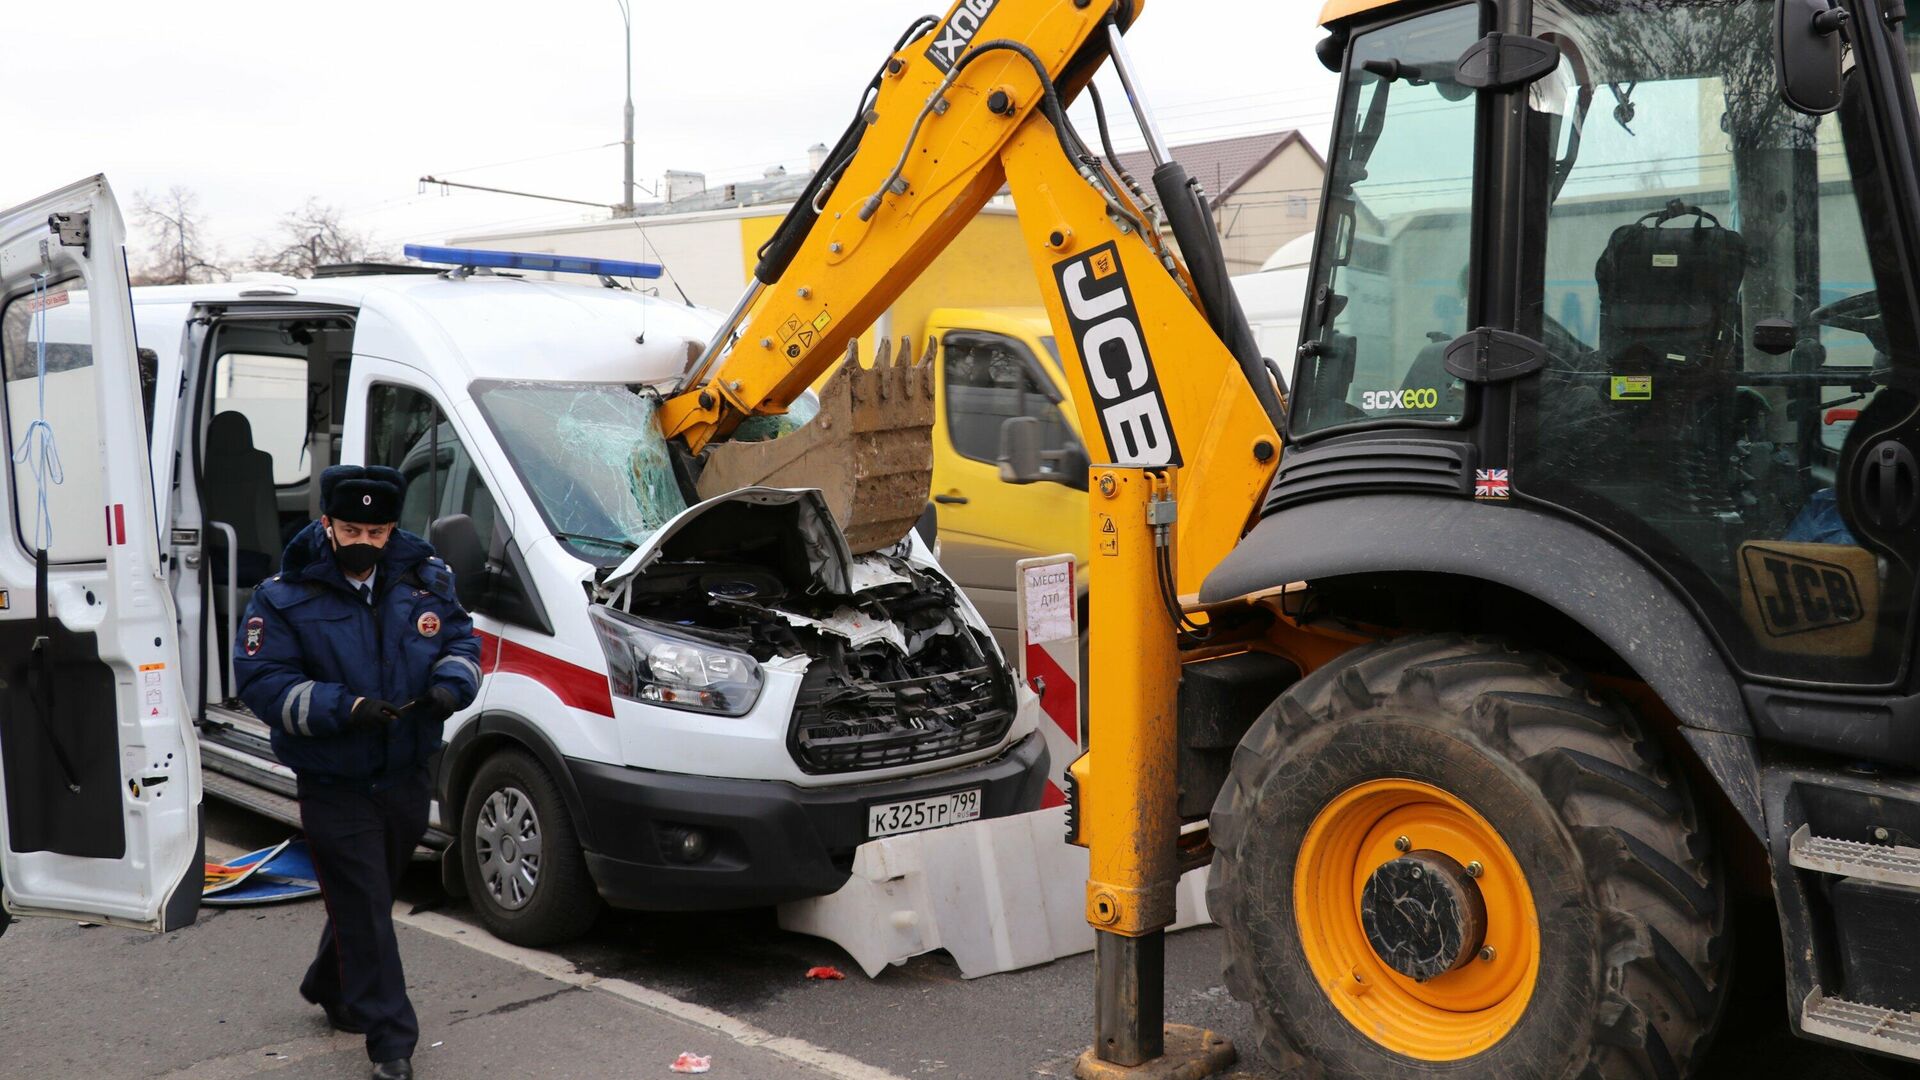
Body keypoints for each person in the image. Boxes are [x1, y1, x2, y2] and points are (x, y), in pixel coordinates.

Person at [234, 464, 481, 1080]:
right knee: (368, 908)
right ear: (326, 523)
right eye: (351, 528)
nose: (363, 541)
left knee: (363, 899)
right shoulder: (282, 596)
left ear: (392, 528)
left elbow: (460, 641)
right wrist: (344, 708)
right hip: (333, 780)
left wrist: (453, 684)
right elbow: (263, 683)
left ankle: (329, 981)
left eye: (376, 530)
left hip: (405, 772)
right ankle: (392, 1041)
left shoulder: (425, 579)